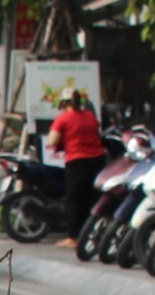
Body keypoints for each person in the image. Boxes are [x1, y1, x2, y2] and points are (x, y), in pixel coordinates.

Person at [51, 90, 108, 244]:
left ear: (64, 104)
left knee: (75, 200)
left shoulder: (62, 118)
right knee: (93, 198)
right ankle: (93, 235)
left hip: (76, 161)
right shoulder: (90, 116)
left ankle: (73, 238)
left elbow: (52, 141)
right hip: (97, 160)